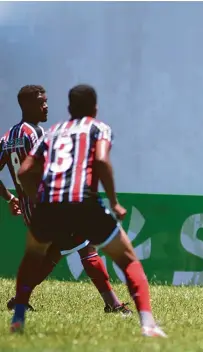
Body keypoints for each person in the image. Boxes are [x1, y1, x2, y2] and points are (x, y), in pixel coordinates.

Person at [12, 84, 167, 337]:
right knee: (127, 260)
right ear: (95, 107)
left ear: (69, 108)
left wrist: (38, 198)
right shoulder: (98, 128)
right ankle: (147, 323)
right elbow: (102, 161)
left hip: (49, 203)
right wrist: (114, 201)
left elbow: (24, 172)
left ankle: (18, 318)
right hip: (83, 201)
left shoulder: (52, 132)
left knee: (32, 259)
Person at [0, 85, 130, 315]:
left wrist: (10, 197)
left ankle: (20, 300)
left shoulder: (8, 137)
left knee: (54, 253)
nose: (46, 106)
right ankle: (114, 304)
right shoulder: (37, 135)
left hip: (31, 212)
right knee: (87, 247)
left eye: (46, 101)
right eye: (41, 102)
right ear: (27, 105)